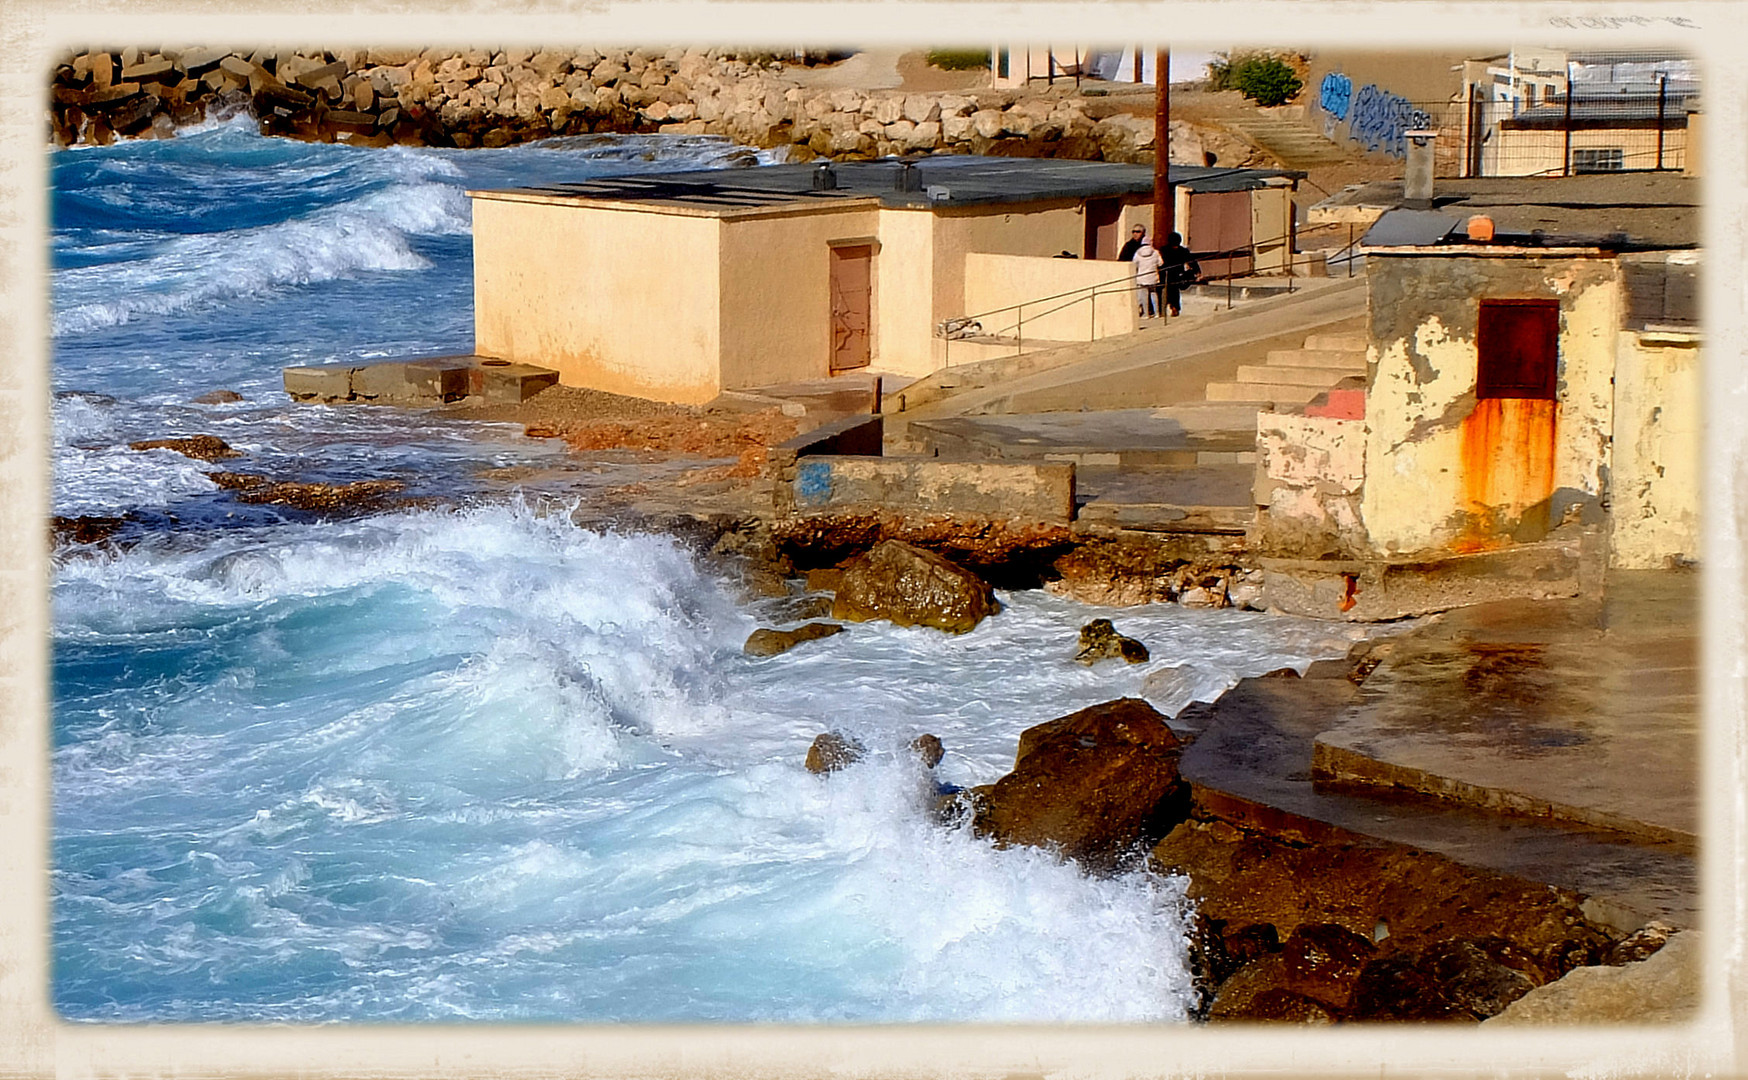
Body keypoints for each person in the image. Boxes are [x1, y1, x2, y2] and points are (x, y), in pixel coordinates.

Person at [1160, 231, 1201, 317]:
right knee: (1174, 290)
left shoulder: (1164, 250)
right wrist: (1197, 271)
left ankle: (1169, 307)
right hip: (1177, 273)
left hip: (1167, 273)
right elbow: (1192, 261)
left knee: (1171, 290)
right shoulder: (1183, 251)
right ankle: (1174, 307)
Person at [1131, 237, 1164, 319]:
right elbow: (1161, 263)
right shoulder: (1155, 252)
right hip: (1152, 277)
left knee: (1144, 296)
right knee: (1154, 294)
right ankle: (1157, 313)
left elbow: (1134, 263)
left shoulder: (1138, 253)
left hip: (1142, 277)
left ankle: (1146, 314)